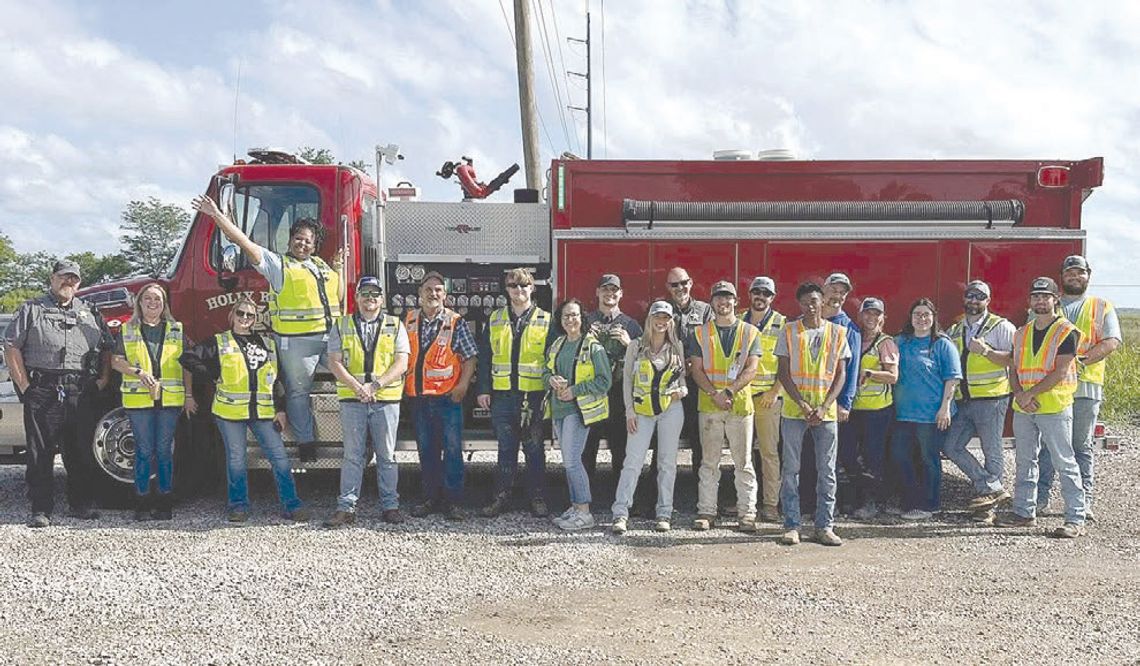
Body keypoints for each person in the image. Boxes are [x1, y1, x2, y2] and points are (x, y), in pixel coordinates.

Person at [192, 193, 345, 463]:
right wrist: (216, 216)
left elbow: (339, 295)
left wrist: (339, 270)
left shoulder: (320, 266)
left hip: (330, 339)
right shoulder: (278, 265)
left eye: (308, 240)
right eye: (298, 238)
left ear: (315, 244)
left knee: (350, 382)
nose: (302, 243)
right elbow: (245, 243)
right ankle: (306, 443)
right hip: (298, 344)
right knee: (298, 393)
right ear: (290, 239)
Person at [179, 296, 308, 523]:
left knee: (280, 458)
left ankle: (291, 505)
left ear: (255, 319)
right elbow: (187, 358)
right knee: (237, 460)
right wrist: (212, 374)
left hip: (263, 412)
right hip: (230, 413)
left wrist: (280, 409)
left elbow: (278, 379)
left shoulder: (268, 344)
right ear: (232, 315)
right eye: (241, 313)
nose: (245, 318)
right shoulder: (220, 342)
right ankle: (238, 506)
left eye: (250, 315)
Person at [4, 260, 112, 528]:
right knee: (41, 452)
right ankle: (41, 509)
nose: (69, 282)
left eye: (74, 279)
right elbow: (11, 346)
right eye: (64, 277)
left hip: (80, 389)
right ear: (52, 278)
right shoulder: (32, 309)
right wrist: (25, 386)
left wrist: (103, 380)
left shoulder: (90, 311)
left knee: (79, 451)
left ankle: (79, 504)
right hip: (43, 389)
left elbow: (109, 346)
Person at [996, 277, 1087, 538]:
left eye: (1045, 296)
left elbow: (1060, 371)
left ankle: (1075, 518)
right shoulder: (1021, 332)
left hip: (1054, 407)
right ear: (1030, 301)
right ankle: (1024, 513)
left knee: (1064, 462)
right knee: (1025, 462)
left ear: (1055, 300)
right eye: (1035, 296)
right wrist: (1019, 394)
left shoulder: (1066, 331)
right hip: (1025, 408)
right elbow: (1013, 368)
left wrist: (1029, 394)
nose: (1040, 301)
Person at [1037, 255, 1121, 520]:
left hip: (1086, 389)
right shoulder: (1050, 305)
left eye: (1079, 272)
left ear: (1088, 275)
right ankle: (1039, 499)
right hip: (1053, 388)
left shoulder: (1101, 305)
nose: (1074, 277)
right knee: (1049, 445)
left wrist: (1081, 361)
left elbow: (1111, 342)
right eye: (1069, 273)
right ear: (1062, 276)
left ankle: (1083, 502)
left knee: (1080, 446)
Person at [322, 276, 409, 528]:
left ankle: (390, 506)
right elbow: (334, 361)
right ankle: (346, 508)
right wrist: (358, 387)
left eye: (375, 294)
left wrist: (375, 386)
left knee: (387, 455)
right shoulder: (342, 324)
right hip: (353, 399)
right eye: (365, 294)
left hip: (386, 399)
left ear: (382, 299)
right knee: (352, 455)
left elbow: (402, 363)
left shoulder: (395, 325)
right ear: (357, 297)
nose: (370, 299)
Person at [109, 283, 196, 521]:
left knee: (165, 451)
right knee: (144, 451)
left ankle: (165, 502)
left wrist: (189, 395)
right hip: (139, 401)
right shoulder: (127, 329)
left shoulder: (177, 330)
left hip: (170, 400)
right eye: (147, 298)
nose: (152, 303)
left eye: (157, 299)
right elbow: (116, 361)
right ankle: (142, 502)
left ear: (164, 303)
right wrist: (137, 372)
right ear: (139, 303)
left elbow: (187, 365)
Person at [775, 282, 851, 546]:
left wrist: (824, 405)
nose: (811, 306)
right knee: (791, 470)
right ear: (800, 304)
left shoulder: (839, 333)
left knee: (827, 471)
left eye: (815, 301)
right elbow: (783, 372)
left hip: (825, 412)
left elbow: (841, 374)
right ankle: (791, 525)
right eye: (806, 301)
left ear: (823, 302)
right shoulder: (788, 331)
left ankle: (825, 526)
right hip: (795, 411)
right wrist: (803, 404)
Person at [477, 267, 554, 517]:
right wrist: (483, 389)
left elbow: (552, 359)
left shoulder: (547, 320)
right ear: (507, 290)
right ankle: (501, 498)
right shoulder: (496, 318)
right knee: (505, 450)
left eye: (523, 285)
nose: (518, 290)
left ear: (532, 288)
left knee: (534, 451)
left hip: (533, 396)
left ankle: (538, 498)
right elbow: (485, 357)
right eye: (513, 286)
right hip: (503, 396)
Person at [687, 280, 761, 532]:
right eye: (718, 297)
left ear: (736, 301)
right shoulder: (699, 333)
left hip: (739, 406)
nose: (723, 302)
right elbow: (695, 369)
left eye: (728, 297)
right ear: (712, 302)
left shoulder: (750, 332)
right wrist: (713, 393)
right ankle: (706, 512)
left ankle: (747, 514)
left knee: (744, 463)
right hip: (710, 407)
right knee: (709, 463)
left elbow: (752, 368)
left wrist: (728, 391)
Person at [405, 271, 478, 521]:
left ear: (445, 295)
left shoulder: (455, 322)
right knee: (426, 451)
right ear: (419, 293)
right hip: (419, 399)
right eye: (428, 289)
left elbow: (469, 357)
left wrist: (463, 386)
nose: (432, 293)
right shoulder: (409, 320)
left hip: (448, 399)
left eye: (438, 290)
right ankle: (429, 499)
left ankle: (453, 503)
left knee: (453, 451)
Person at [941, 280, 1015, 523]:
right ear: (965, 299)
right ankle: (991, 487)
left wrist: (986, 351)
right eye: (970, 296)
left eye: (980, 297)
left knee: (991, 451)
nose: (974, 301)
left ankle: (986, 510)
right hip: (964, 401)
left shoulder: (1001, 326)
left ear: (988, 301)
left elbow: (1014, 361)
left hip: (992, 399)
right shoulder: (954, 330)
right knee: (951, 446)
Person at [611, 301, 688, 534]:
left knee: (667, 464)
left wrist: (682, 391)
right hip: (642, 412)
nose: (661, 322)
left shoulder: (677, 347)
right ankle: (620, 513)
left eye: (666, 318)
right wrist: (629, 411)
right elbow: (627, 381)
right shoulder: (635, 346)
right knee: (632, 463)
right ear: (650, 319)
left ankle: (664, 513)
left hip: (671, 411)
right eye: (658, 317)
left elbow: (682, 378)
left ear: (671, 321)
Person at [890, 298, 961, 521]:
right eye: (917, 314)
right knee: (900, 456)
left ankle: (930, 505)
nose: (921, 319)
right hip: (902, 413)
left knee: (928, 459)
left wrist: (945, 409)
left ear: (933, 318)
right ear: (910, 318)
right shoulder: (900, 342)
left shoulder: (942, 344)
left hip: (931, 416)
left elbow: (952, 379)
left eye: (926, 315)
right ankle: (909, 501)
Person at [544, 299, 612, 531]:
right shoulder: (558, 344)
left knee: (573, 461)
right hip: (559, 410)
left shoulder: (593, 347)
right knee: (568, 462)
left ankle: (584, 512)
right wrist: (550, 380)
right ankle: (575, 506)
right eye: (565, 316)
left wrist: (575, 390)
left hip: (579, 410)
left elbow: (605, 381)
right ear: (560, 321)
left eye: (574, 315)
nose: (570, 320)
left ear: (582, 318)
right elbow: (547, 370)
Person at [581, 274, 642, 497]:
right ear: (597, 292)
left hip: (618, 397)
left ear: (621, 294)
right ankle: (584, 501)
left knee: (621, 451)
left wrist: (629, 344)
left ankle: (622, 500)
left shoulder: (631, 325)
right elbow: (569, 352)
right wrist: (585, 339)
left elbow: (645, 363)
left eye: (614, 290)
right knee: (586, 452)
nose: (610, 294)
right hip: (591, 395)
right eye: (605, 289)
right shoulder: (585, 322)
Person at [845, 297, 899, 520]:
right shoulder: (855, 338)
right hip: (853, 408)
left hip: (877, 411)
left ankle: (871, 502)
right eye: (867, 313)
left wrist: (870, 374)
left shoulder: (885, 343)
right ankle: (857, 497)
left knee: (872, 458)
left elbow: (893, 376)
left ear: (882, 318)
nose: (871, 317)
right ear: (860, 316)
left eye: (876, 314)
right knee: (847, 455)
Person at [664, 267, 713, 502]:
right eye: (674, 285)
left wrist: (694, 364)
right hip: (670, 385)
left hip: (697, 384)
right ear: (668, 288)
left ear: (691, 283)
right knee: (665, 442)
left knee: (698, 441)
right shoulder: (662, 311)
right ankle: (660, 497)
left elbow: (712, 343)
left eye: (683, 283)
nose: (680, 288)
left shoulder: (705, 310)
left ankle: (698, 496)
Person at [740, 276, 785, 523]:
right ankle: (744, 504)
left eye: (766, 293)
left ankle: (770, 504)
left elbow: (787, 365)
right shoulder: (737, 320)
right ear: (750, 294)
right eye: (757, 292)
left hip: (768, 398)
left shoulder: (782, 324)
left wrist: (775, 391)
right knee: (741, 454)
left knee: (769, 454)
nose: (761, 297)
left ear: (773, 297)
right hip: (742, 397)